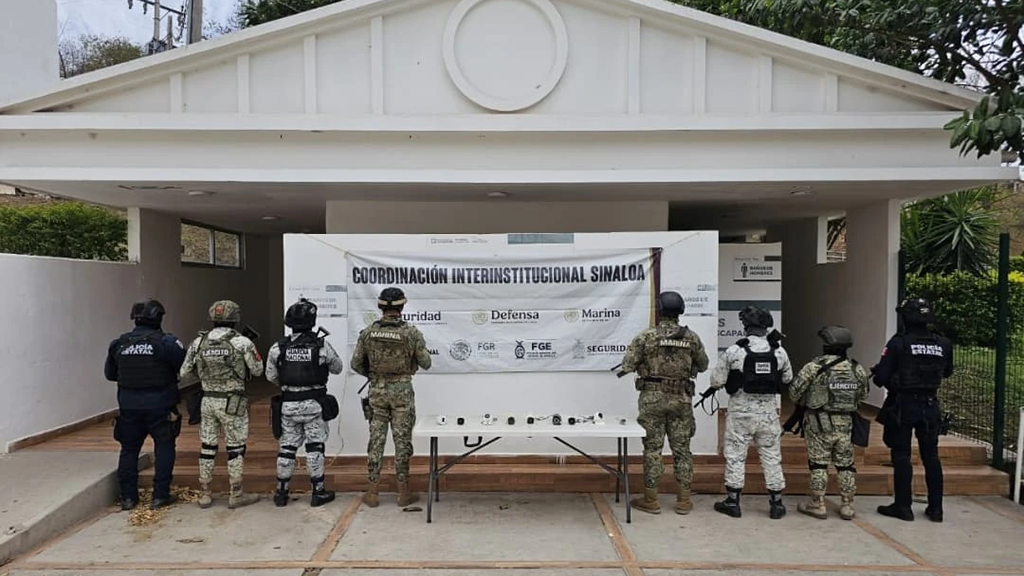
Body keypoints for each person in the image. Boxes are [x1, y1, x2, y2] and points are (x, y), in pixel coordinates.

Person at [619, 291, 709, 515]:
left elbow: (627, 365)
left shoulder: (646, 336)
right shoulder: (692, 338)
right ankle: (684, 501)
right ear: (681, 310)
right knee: (682, 450)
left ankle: (651, 500)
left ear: (659, 309)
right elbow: (704, 365)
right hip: (681, 400)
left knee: (652, 449)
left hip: (652, 400)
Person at [708, 306, 793, 519]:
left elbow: (717, 381)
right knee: (771, 457)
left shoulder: (735, 351)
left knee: (736, 457)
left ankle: (733, 502)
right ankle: (776, 504)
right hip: (768, 414)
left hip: (740, 414)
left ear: (745, 326)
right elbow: (787, 378)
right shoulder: (779, 351)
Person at [872, 297, 953, 522]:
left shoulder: (898, 343)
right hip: (930, 405)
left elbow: (880, 378)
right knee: (931, 457)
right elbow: (947, 371)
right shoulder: (943, 343)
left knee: (901, 456)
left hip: (903, 405)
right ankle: (936, 509)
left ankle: (903, 506)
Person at [350, 287, 432, 507]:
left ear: (380, 307)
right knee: (402, 441)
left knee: (376, 441)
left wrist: (374, 375)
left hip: (377, 391)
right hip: (402, 392)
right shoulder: (411, 333)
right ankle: (403, 492)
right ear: (402, 306)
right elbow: (426, 363)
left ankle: (372, 492)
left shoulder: (368, 333)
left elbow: (355, 363)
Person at [179, 300, 264, 509]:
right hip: (232, 401)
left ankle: (205, 493)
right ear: (235, 318)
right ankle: (236, 493)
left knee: (207, 445)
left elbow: (183, 372)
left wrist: (205, 376)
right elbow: (258, 370)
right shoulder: (242, 342)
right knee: (235, 446)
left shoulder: (199, 342)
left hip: (208, 399)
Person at [104, 299, 186, 511]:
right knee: (164, 447)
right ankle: (160, 496)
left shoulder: (119, 344)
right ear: (158, 318)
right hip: (161, 405)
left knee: (129, 450)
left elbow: (110, 374)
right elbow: (184, 366)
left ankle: (128, 498)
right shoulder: (166, 343)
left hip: (129, 407)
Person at [265, 298, 344, 507]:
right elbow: (337, 368)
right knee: (315, 447)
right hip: (314, 405)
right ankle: (318, 492)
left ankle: (281, 493)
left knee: (286, 448)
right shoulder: (321, 345)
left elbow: (270, 376)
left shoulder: (278, 347)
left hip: (288, 406)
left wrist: (289, 385)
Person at [789, 325, 870, 520]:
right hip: (846, 423)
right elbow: (864, 395)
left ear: (825, 345)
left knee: (818, 464)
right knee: (846, 465)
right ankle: (847, 505)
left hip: (818, 423)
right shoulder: (856, 368)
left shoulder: (814, 367)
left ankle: (817, 504)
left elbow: (794, 393)